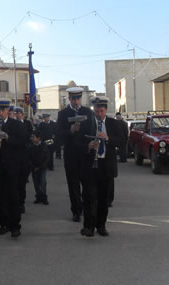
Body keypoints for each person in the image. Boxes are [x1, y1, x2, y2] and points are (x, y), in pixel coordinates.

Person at [79, 96, 123, 237]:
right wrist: (87, 146)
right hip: (91, 167)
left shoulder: (114, 124)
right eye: (96, 111)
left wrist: (109, 139)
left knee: (104, 199)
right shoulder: (86, 124)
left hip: (106, 167)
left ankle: (101, 225)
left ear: (106, 110)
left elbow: (122, 142)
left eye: (101, 111)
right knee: (89, 198)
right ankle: (88, 227)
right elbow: (76, 144)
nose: (98, 114)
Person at [0, 98, 27, 238]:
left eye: (3, 110)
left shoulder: (17, 125)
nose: (1, 113)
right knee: (0, 196)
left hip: (13, 166)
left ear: (8, 110)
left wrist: (8, 139)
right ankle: (3, 223)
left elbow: (23, 144)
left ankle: (15, 226)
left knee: (13, 195)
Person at [56, 87, 93, 222]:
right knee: (73, 184)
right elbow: (58, 135)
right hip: (71, 154)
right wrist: (70, 131)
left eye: (78, 98)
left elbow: (91, 131)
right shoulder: (63, 114)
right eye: (73, 98)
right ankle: (76, 210)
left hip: (85, 153)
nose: (76, 101)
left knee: (87, 184)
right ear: (69, 99)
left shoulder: (87, 112)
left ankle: (86, 207)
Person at [14, 106, 33, 213]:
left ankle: (21, 203)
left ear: (22, 114)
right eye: (15, 113)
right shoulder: (12, 123)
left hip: (24, 154)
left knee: (22, 183)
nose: (17, 114)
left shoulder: (27, 123)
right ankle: (15, 203)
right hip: (15, 155)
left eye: (18, 113)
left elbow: (29, 135)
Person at [29, 130, 50, 205]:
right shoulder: (31, 146)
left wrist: (41, 167)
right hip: (34, 168)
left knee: (43, 182)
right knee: (36, 184)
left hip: (42, 168)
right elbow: (28, 158)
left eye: (33, 137)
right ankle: (38, 197)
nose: (32, 138)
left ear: (39, 138)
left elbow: (47, 158)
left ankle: (44, 198)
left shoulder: (44, 145)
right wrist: (33, 166)